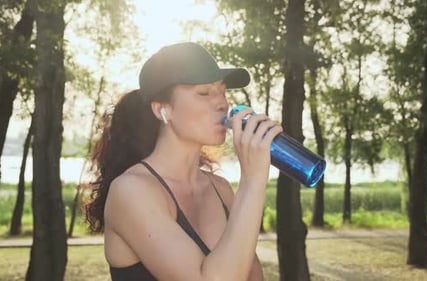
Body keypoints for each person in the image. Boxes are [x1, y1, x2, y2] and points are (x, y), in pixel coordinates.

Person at [85, 42, 282, 281]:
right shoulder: (131, 190)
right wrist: (252, 180)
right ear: (162, 110)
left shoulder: (220, 189)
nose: (222, 102)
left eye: (222, 91)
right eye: (204, 92)